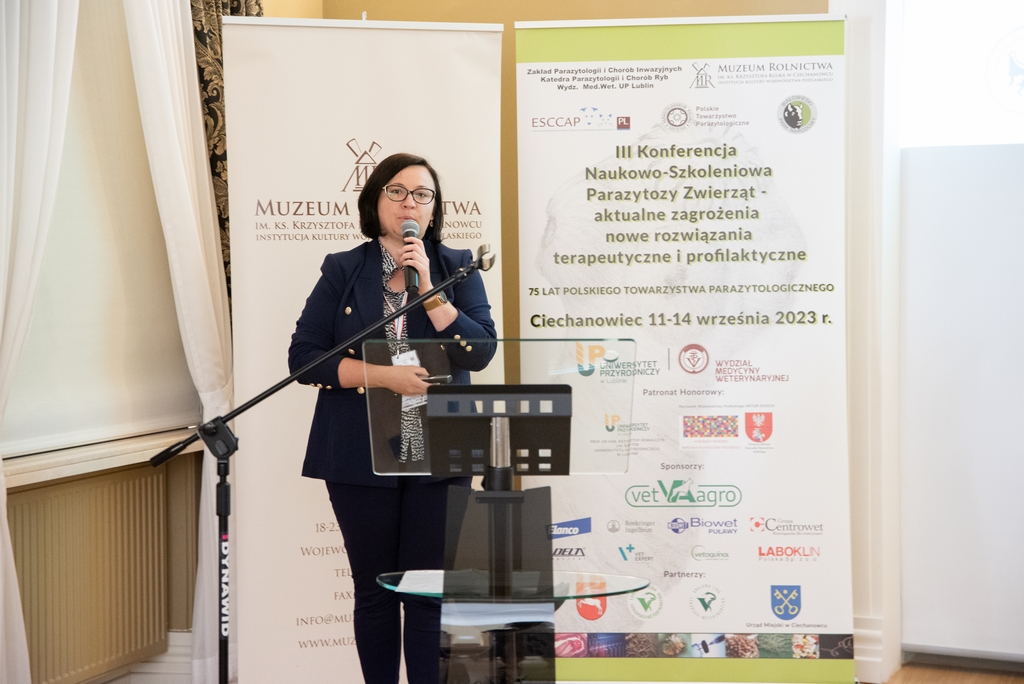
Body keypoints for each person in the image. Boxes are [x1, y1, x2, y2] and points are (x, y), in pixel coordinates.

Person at [288, 153, 496, 684]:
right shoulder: (344, 269)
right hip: (359, 450)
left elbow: (479, 352)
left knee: (427, 592)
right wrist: (383, 376)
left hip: (441, 448)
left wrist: (430, 292)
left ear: (434, 209)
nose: (410, 203)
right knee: (376, 590)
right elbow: (305, 359)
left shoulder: (457, 265)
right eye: (397, 192)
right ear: (375, 202)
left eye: (422, 195)